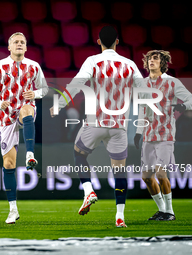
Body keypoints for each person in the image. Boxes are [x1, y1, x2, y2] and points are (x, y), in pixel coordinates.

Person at [50, 26, 146, 227]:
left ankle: (88, 191)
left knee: (78, 153)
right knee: (119, 170)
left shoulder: (93, 61)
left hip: (95, 122)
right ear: (117, 42)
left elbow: (76, 84)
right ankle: (120, 216)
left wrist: (58, 104)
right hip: (119, 126)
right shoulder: (129, 64)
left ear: (98, 41)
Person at [0, 32, 48, 224]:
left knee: (27, 109)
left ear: (26, 48)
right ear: (9, 47)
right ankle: (13, 209)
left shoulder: (34, 66)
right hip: (5, 116)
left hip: (24, 111)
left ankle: (30, 154)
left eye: (22, 42)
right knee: (9, 164)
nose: (19, 44)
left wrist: (35, 93)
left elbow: (45, 89)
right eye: (16, 42)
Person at [134, 50, 192, 221]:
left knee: (161, 173)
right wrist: (138, 132)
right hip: (148, 135)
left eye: (156, 58)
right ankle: (162, 210)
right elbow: (142, 109)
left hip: (165, 134)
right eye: (150, 59)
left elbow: (190, 99)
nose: (152, 61)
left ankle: (170, 212)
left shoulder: (172, 82)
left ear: (163, 63)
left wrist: (183, 107)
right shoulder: (142, 84)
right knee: (146, 177)